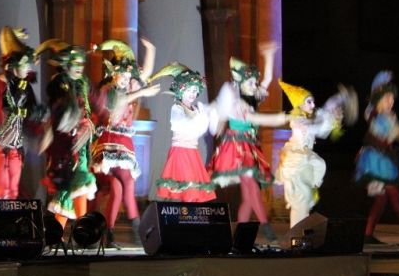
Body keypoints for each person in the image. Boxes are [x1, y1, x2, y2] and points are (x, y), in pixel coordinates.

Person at [209, 42, 289, 244]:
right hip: (236, 148)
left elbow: (268, 79)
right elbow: (253, 119)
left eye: (255, 83)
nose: (255, 86)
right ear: (241, 84)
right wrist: (283, 118)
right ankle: (267, 228)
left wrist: (269, 56)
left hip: (249, 147)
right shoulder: (238, 104)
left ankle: (239, 235)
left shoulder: (252, 98)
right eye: (251, 83)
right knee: (252, 187)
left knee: (247, 195)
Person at [91, 39, 160, 248]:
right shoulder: (108, 90)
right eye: (123, 75)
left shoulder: (129, 86)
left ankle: (119, 234)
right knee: (122, 184)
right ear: (114, 74)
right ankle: (130, 233)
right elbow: (118, 104)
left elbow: (145, 74)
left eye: (128, 77)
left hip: (124, 143)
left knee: (123, 187)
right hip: (109, 144)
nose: (126, 79)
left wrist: (151, 49)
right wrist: (141, 93)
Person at [273, 81, 357, 228]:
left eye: (313, 101)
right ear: (300, 104)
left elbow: (324, 122)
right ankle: (296, 235)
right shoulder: (298, 120)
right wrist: (331, 119)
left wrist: (340, 100)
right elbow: (317, 128)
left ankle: (299, 234)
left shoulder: (309, 118)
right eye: (309, 102)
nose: (313, 105)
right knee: (301, 200)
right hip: (295, 164)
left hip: (305, 161)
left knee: (305, 201)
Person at [355, 71, 399, 244]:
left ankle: (368, 234)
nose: (390, 101)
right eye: (386, 98)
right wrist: (380, 81)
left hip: (384, 162)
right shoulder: (373, 114)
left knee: (383, 200)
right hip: (376, 163)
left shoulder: (391, 118)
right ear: (378, 100)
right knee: (393, 197)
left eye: (392, 99)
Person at [37, 40, 98, 228]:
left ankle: (60, 234)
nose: (80, 67)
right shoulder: (59, 83)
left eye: (82, 63)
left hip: (81, 146)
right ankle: (82, 232)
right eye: (75, 63)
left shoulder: (83, 83)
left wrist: (90, 125)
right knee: (74, 185)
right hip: (65, 146)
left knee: (73, 189)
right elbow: (61, 114)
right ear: (66, 64)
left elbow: (96, 105)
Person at [0, 27, 41, 200]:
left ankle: (10, 217)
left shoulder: (25, 87)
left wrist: (38, 125)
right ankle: (0, 217)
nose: (28, 68)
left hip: (16, 146)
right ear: (13, 65)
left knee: (13, 192)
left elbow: (32, 112)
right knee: (2, 191)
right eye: (25, 64)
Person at [153, 63, 217, 203]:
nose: (192, 94)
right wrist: (201, 119)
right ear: (181, 90)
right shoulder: (177, 108)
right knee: (188, 190)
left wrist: (209, 117)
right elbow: (182, 124)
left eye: (195, 91)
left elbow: (202, 129)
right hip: (181, 152)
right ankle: (186, 214)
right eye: (189, 90)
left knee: (194, 190)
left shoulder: (196, 109)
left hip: (193, 152)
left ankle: (190, 214)